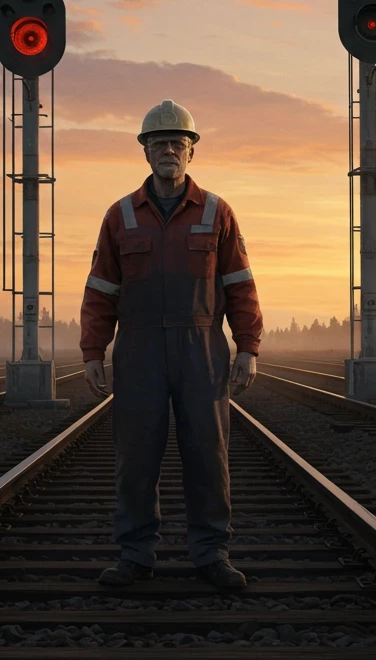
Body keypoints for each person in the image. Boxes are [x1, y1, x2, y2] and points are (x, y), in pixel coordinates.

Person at [79, 99, 263, 589]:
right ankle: (135, 554)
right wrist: (93, 352)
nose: (168, 151)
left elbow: (240, 284)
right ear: (144, 151)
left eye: (177, 143)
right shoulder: (120, 215)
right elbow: (101, 290)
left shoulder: (217, 212)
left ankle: (211, 553)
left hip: (201, 346)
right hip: (139, 348)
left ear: (191, 152)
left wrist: (247, 346)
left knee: (208, 453)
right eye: (159, 143)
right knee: (136, 455)